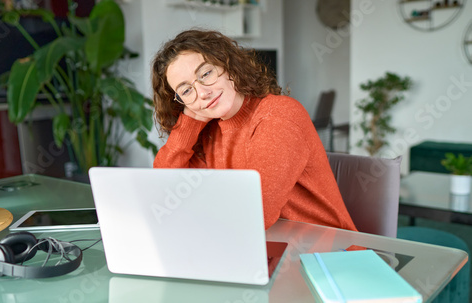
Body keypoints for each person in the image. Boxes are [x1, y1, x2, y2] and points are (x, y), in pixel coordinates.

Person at [151, 29, 357, 231]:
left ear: (227, 65)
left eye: (206, 73)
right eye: (186, 90)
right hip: (259, 249)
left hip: (325, 255)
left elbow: (255, 215)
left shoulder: (278, 116)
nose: (202, 93)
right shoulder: (209, 131)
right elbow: (167, 193)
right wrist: (189, 121)